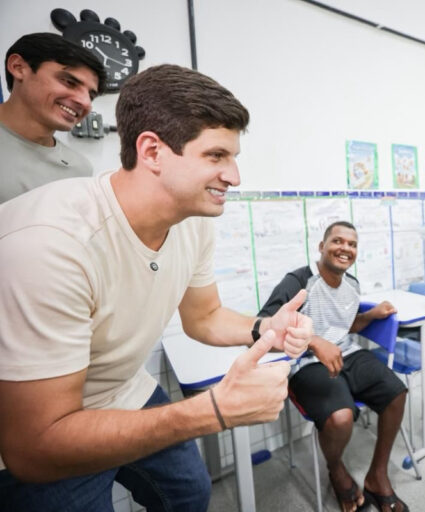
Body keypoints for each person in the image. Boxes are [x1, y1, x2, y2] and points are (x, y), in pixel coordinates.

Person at [0, 64, 313, 512]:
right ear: (152, 151)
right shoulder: (50, 244)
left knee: (188, 492)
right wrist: (213, 411)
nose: (235, 176)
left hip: (123, 388)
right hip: (41, 428)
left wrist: (265, 329)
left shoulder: (192, 221)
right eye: (216, 156)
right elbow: (32, 448)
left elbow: (203, 318)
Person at [258, 221, 409, 512]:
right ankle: (336, 469)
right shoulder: (299, 280)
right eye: (338, 241)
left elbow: (346, 324)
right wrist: (314, 341)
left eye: (352, 244)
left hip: (347, 352)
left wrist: (372, 315)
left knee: (396, 392)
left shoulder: (352, 284)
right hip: (305, 363)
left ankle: (377, 476)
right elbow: (264, 325)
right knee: (341, 418)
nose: (345, 249)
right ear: (322, 247)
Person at [0, 33, 106, 203]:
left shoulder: (79, 170)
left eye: (91, 96)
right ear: (18, 67)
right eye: (69, 82)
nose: (85, 102)